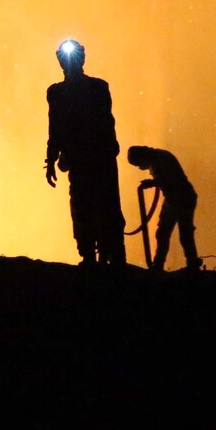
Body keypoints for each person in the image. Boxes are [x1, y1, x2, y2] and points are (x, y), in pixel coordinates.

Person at [45, 40, 126, 265]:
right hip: (95, 158)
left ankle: (103, 255)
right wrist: (52, 158)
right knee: (91, 205)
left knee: (94, 205)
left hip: (93, 157)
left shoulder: (62, 92)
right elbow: (56, 127)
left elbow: (57, 127)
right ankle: (96, 254)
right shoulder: (95, 87)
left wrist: (53, 158)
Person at [127, 145, 201, 271]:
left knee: (184, 233)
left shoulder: (160, 160)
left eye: (139, 164)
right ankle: (158, 265)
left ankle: (192, 263)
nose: (140, 168)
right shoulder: (158, 158)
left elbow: (169, 180)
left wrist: (152, 183)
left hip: (183, 198)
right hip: (173, 199)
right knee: (163, 233)